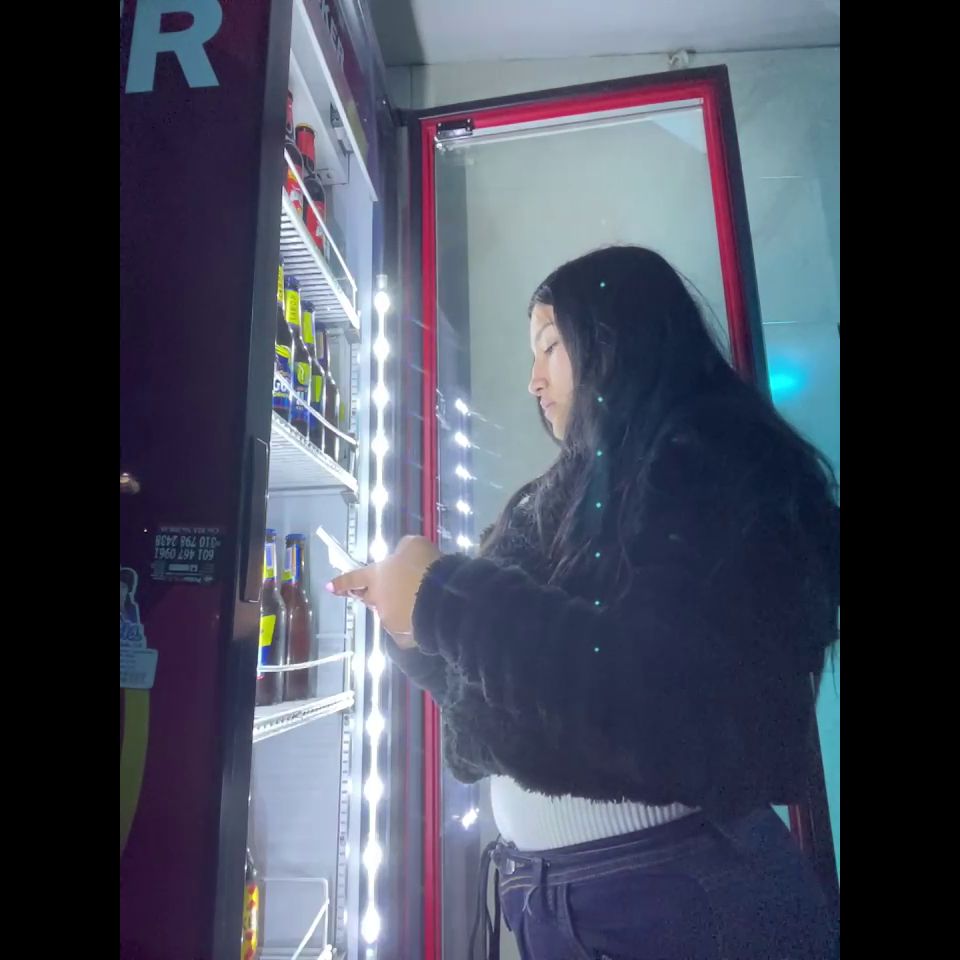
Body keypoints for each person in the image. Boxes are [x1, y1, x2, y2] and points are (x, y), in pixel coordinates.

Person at [329, 246, 840, 959]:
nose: (533, 380)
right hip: (565, 897)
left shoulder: (710, 460)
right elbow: (517, 695)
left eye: (549, 346)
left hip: (680, 895)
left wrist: (441, 594)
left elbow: (640, 694)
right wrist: (414, 627)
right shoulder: (567, 496)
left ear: (614, 338)